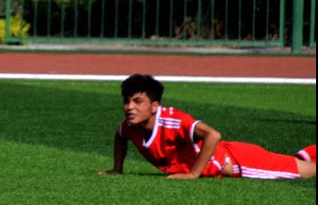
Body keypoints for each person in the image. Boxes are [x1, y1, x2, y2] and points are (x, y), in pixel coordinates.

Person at [100, 74, 316, 180]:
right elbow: (120, 136)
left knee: (306, 171)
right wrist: (118, 168)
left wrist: (194, 174)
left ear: (155, 106)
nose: (130, 107)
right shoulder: (129, 126)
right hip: (232, 155)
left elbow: (213, 134)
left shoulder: (173, 120)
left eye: (138, 102)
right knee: (295, 162)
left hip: (239, 162)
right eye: (127, 101)